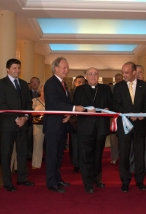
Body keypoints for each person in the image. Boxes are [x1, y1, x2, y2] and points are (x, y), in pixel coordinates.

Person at [43, 57, 84, 193]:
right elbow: (54, 103)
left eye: (67, 68)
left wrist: (68, 114)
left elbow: (63, 103)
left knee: (59, 155)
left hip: (61, 125)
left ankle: (57, 178)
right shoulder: (50, 83)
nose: (66, 70)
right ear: (55, 68)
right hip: (53, 126)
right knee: (52, 155)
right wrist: (73, 109)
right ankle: (51, 183)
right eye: (64, 68)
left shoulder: (63, 84)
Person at [0, 58, 34, 192]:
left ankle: (22, 178)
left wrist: (25, 117)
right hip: (7, 125)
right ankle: (7, 182)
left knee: (22, 152)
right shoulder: (0, 84)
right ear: (8, 69)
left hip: (22, 124)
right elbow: (2, 104)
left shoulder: (23, 84)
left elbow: (28, 104)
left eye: (18, 68)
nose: (17, 70)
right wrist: (17, 118)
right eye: (14, 68)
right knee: (6, 154)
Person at [113, 61, 146, 192]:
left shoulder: (145, 86)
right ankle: (125, 180)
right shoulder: (118, 87)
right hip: (125, 125)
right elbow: (116, 105)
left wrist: (143, 114)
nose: (124, 75)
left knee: (140, 154)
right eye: (123, 72)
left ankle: (140, 180)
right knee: (123, 154)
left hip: (140, 125)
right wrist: (128, 114)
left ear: (134, 72)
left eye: (127, 72)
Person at [73, 67, 113, 193]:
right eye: (90, 74)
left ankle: (97, 179)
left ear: (98, 75)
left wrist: (108, 107)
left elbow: (112, 104)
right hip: (85, 128)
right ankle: (87, 182)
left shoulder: (105, 88)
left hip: (100, 127)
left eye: (95, 74)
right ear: (86, 76)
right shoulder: (79, 89)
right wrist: (85, 109)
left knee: (97, 156)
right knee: (85, 157)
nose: (93, 76)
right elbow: (75, 105)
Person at [130, 65, 146, 177]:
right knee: (131, 146)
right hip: (131, 121)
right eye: (136, 72)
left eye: (140, 72)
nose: (138, 74)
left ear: (144, 74)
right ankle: (132, 167)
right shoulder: (129, 86)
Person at [69, 75, 86, 173]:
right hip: (74, 122)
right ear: (75, 83)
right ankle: (76, 164)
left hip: (85, 122)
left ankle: (84, 163)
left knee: (84, 144)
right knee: (74, 145)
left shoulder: (87, 92)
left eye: (83, 82)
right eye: (79, 82)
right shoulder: (71, 93)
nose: (81, 84)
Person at [110, 73, 123, 164]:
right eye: (117, 79)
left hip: (124, 117)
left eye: (120, 79)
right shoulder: (111, 89)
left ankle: (123, 157)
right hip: (113, 117)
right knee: (113, 139)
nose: (118, 80)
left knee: (123, 139)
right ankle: (114, 157)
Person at [31, 84, 45, 169]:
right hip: (38, 124)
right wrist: (40, 113)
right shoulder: (34, 100)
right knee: (37, 144)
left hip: (49, 124)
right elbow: (32, 113)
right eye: (43, 91)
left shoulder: (51, 101)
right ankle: (36, 163)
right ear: (40, 91)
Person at [27, 77, 41, 161]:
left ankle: (38, 155)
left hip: (40, 120)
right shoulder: (27, 93)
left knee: (38, 139)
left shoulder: (42, 94)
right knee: (29, 137)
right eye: (33, 82)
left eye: (36, 82)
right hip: (29, 119)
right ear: (30, 84)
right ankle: (29, 154)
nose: (35, 83)